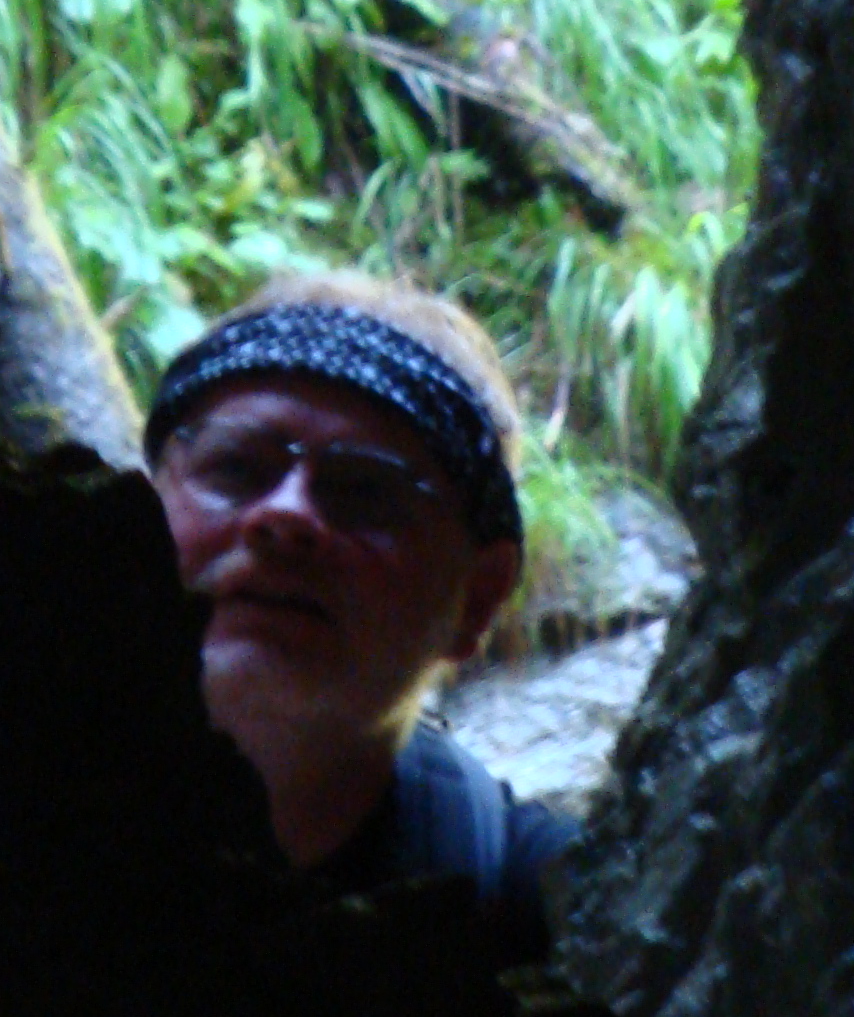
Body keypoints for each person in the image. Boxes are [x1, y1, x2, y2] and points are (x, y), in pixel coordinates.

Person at [142, 270, 576, 944]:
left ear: (477, 597)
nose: (286, 515)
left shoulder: (567, 919)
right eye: (236, 469)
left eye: (365, 492)